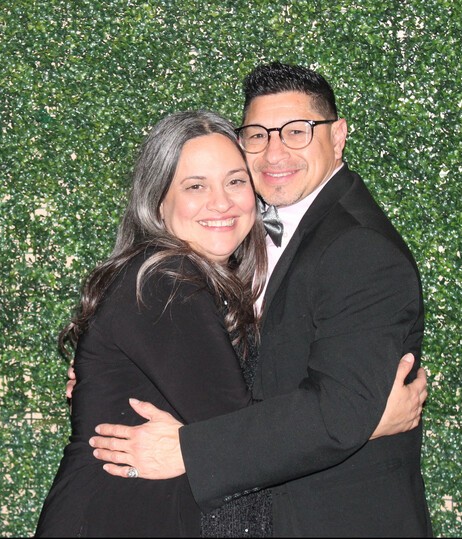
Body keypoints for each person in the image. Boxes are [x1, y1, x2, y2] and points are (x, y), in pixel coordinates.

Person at [88, 62, 433, 537]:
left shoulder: (358, 248)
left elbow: (340, 409)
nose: (274, 152)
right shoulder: (230, 234)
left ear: (337, 136)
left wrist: (189, 450)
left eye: (297, 132)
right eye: (257, 135)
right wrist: (112, 379)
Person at [35, 110, 273, 537]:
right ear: (159, 203)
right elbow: (240, 437)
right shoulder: (165, 281)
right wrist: (365, 416)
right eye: (195, 186)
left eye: (236, 181)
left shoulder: (184, 280)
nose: (221, 202)